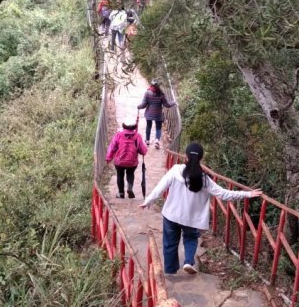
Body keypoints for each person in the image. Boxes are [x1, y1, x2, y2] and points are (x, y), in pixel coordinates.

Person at [141, 142, 262, 275]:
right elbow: (224, 194)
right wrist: (248, 194)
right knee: (191, 238)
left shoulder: (176, 170)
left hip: (172, 215)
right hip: (192, 218)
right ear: (201, 159)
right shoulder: (205, 180)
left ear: (185, 157)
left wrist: (148, 201)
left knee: (170, 243)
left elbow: (160, 187)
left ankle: (170, 271)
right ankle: (188, 261)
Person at [106, 120, 148, 198]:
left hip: (119, 161)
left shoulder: (118, 135)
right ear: (134, 126)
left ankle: (121, 193)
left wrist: (109, 157)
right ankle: (130, 188)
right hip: (132, 162)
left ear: (124, 125)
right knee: (130, 174)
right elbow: (143, 150)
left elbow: (113, 147)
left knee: (120, 175)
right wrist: (144, 151)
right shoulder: (137, 136)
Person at [137, 81, 176, 149]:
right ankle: (157, 141)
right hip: (158, 114)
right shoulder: (161, 94)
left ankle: (147, 140)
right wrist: (174, 102)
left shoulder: (147, 93)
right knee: (158, 128)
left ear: (151, 86)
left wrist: (139, 106)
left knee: (148, 126)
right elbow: (167, 105)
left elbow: (143, 105)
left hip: (149, 114)